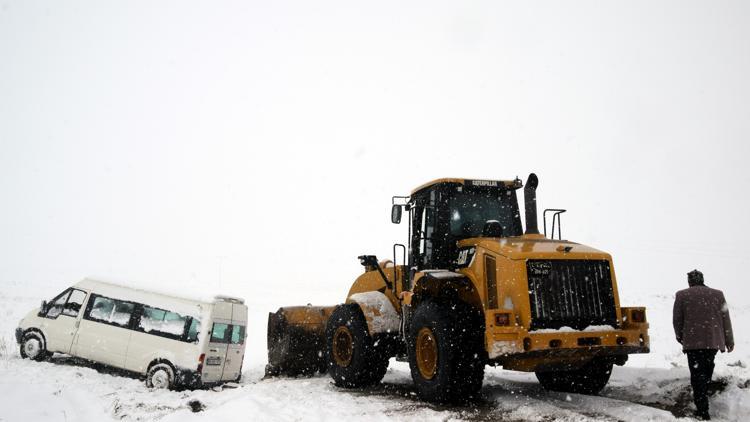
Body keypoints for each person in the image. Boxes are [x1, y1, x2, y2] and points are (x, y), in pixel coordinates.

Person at [673, 269, 734, 420]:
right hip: (712, 342)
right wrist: (729, 341)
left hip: (693, 343)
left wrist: (681, 336)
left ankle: (702, 409)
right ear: (702, 280)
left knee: (696, 374)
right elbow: (726, 319)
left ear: (690, 281)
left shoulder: (682, 295)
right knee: (706, 370)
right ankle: (704, 395)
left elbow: (677, 319)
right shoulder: (718, 294)